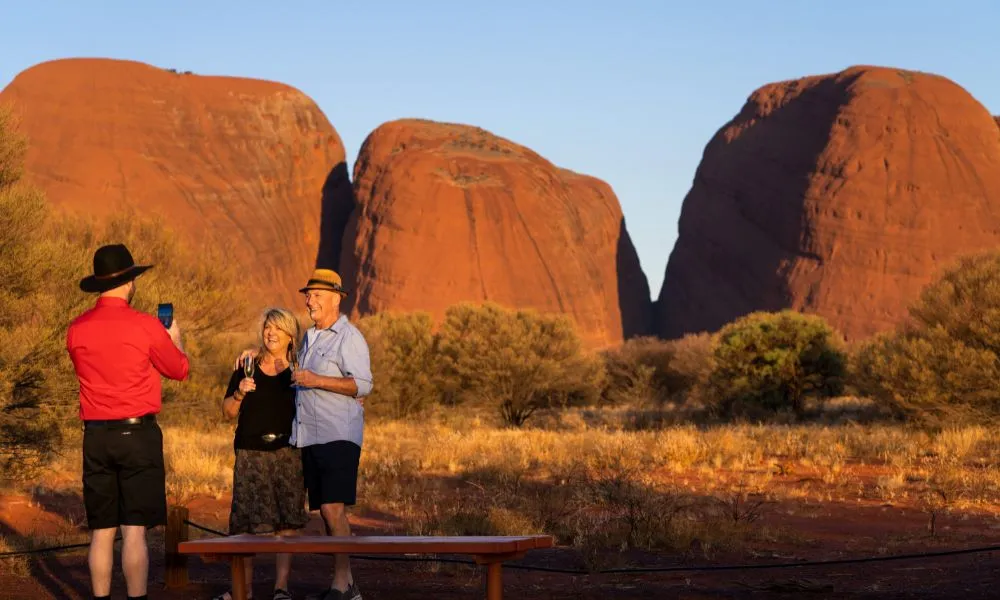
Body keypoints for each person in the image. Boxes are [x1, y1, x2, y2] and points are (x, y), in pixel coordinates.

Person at [238, 268, 372, 600]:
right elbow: (281, 353)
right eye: (307, 295)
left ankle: (343, 586)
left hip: (338, 435)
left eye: (314, 295)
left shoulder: (349, 337)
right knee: (325, 511)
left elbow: (363, 384)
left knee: (331, 508)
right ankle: (346, 583)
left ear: (334, 299)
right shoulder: (310, 337)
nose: (308, 301)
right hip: (309, 438)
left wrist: (317, 380)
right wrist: (255, 352)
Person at [66, 243, 189, 600]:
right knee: (134, 531)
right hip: (137, 434)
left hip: (96, 437)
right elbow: (179, 370)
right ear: (129, 282)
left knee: (102, 531)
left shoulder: (77, 329)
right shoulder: (146, 326)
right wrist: (175, 341)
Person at [215, 308, 309, 600]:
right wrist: (240, 392)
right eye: (268, 327)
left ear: (291, 336)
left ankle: (281, 589)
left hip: (288, 453)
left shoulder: (300, 368)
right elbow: (227, 412)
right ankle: (242, 590)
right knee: (244, 523)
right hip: (250, 452)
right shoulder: (247, 365)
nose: (272, 333)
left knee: (287, 523)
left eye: (279, 329)